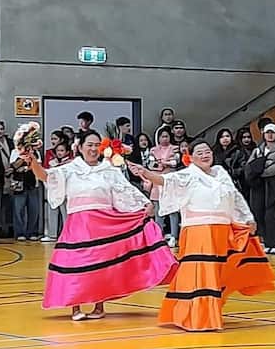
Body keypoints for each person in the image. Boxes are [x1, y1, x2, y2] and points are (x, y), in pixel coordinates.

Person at [26, 131, 177, 321]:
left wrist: (144, 204)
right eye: (89, 144)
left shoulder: (109, 170)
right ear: (79, 147)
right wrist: (32, 160)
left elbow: (125, 189)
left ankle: (99, 305)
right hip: (79, 223)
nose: (93, 149)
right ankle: (75, 307)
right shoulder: (69, 169)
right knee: (77, 263)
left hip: (105, 222)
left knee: (104, 265)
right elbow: (45, 176)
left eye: (97, 145)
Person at [129, 140, 275, 331]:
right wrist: (145, 173)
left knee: (219, 272)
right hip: (199, 230)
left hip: (222, 229)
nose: (205, 155)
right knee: (201, 274)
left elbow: (236, 197)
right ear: (190, 157)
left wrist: (248, 217)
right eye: (200, 152)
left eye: (207, 151)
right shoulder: (188, 175)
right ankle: (197, 316)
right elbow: (165, 181)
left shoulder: (221, 174)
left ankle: (211, 310)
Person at [244, 123, 275, 253]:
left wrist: (261, 171)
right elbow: (249, 166)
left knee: (271, 213)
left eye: (272, 132)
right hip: (258, 185)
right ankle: (263, 241)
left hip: (273, 183)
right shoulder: (258, 149)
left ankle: (274, 243)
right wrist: (257, 172)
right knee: (258, 212)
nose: (270, 135)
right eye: (267, 132)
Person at [150, 128, 183, 246]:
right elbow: (151, 165)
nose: (164, 139)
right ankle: (159, 235)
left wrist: (165, 163)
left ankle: (174, 236)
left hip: (170, 181)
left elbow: (175, 162)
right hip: (157, 180)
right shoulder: (153, 150)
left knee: (173, 210)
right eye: (162, 136)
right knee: (158, 211)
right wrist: (162, 164)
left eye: (167, 136)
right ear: (158, 138)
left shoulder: (174, 148)